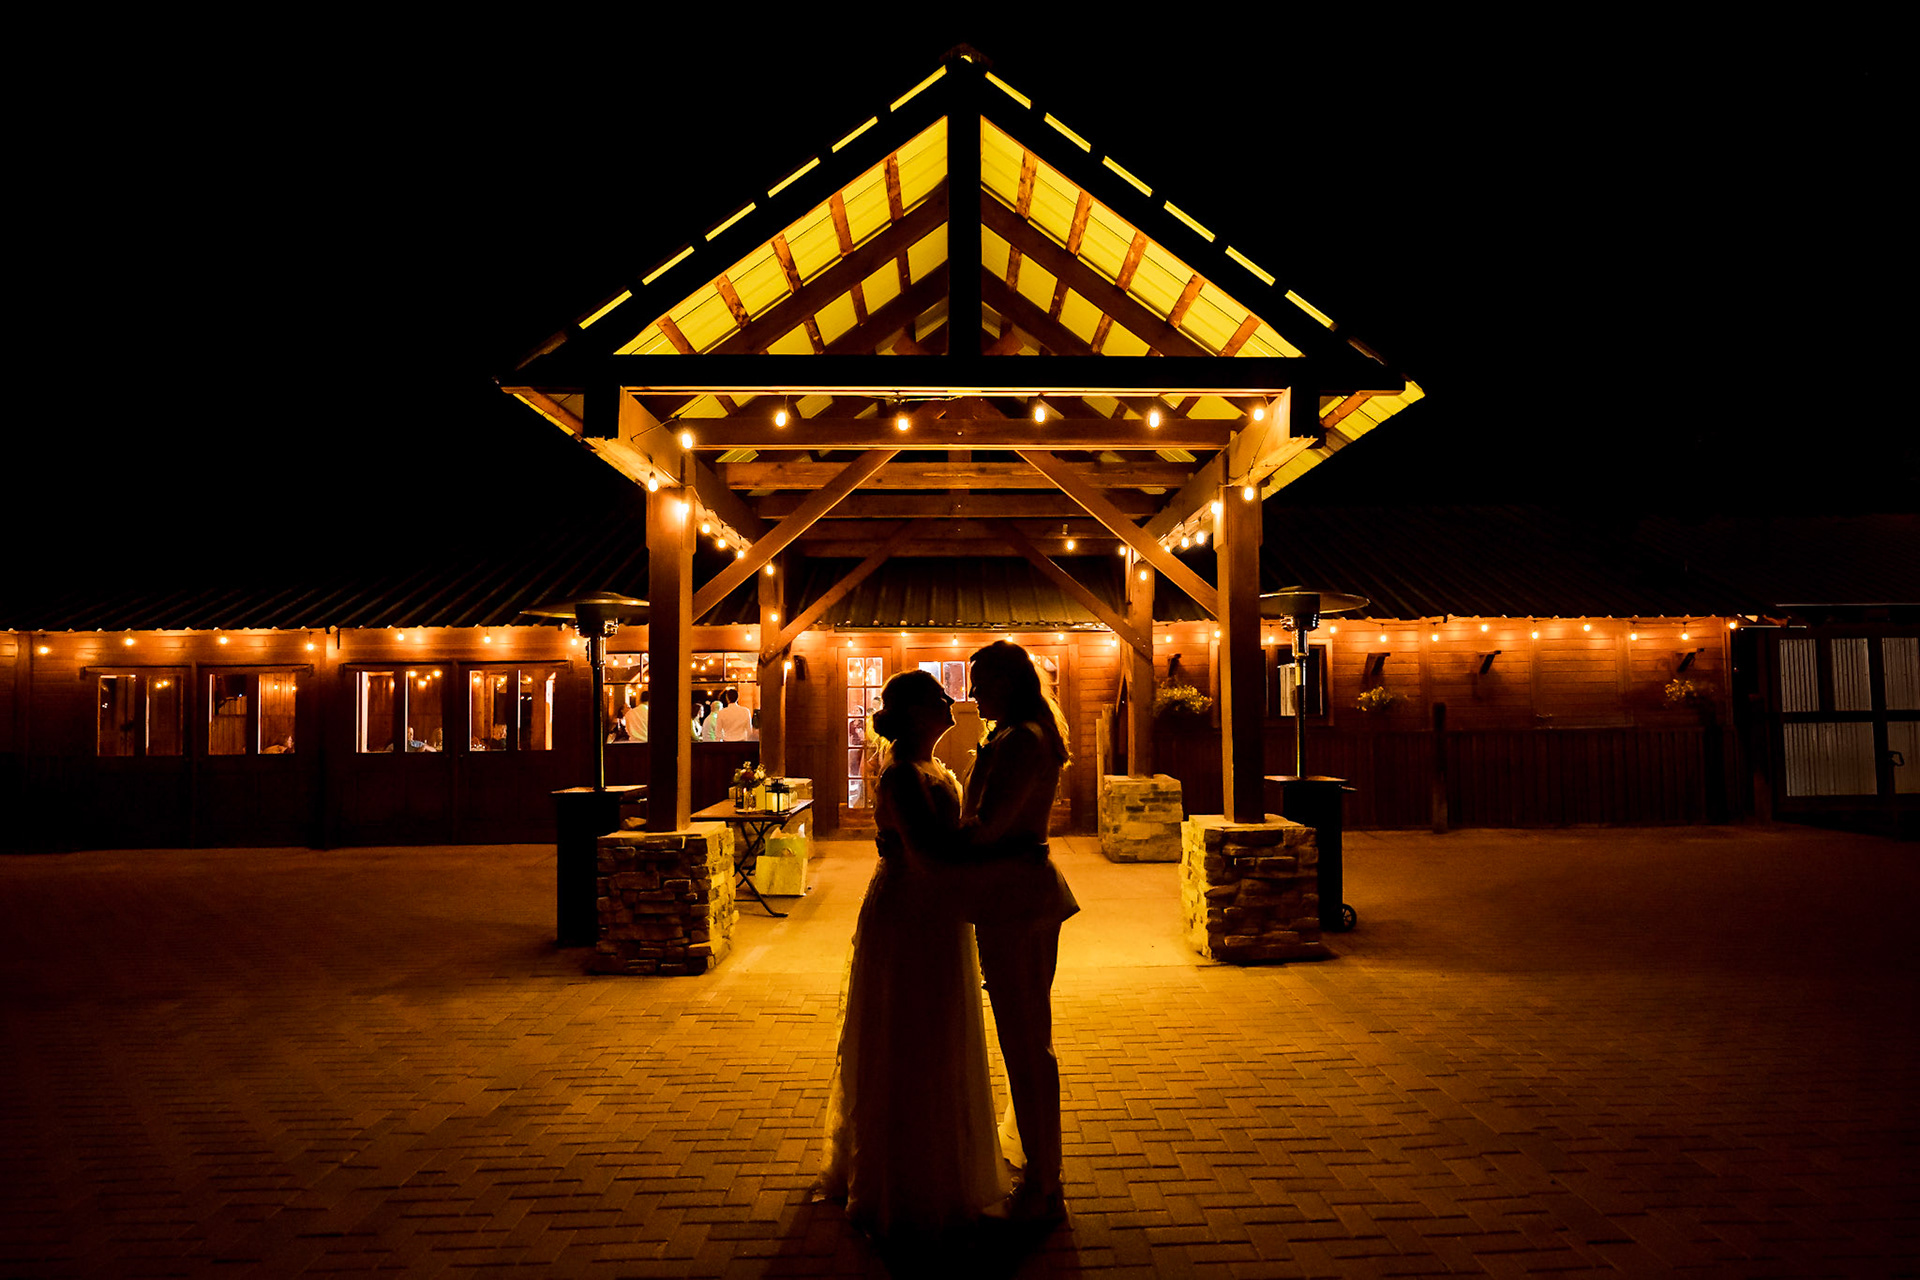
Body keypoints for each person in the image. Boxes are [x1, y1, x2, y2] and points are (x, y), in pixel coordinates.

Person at [818, 670, 1008, 1239]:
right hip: (911, 910)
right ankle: (904, 1182)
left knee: (941, 1029)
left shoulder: (935, 766)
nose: (950, 701)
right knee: (909, 1032)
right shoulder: (902, 774)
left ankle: (944, 1165)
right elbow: (927, 853)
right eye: (937, 696)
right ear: (918, 712)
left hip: (937, 908)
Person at [953, 640, 1078, 1224]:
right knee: (1025, 1039)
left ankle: (1045, 1181)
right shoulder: (1016, 734)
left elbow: (989, 826)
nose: (973, 694)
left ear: (1008, 683)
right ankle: (1041, 1168)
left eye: (981, 682)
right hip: (1017, 892)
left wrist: (928, 838)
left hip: (1017, 896)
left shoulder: (1021, 740)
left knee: (1026, 1042)